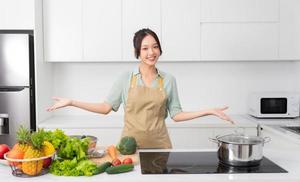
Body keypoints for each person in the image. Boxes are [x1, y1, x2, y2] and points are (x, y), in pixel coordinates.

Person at [47, 28, 234, 149]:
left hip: (160, 147)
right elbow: (105, 108)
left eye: (155, 47)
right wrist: (72, 102)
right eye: (145, 48)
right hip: (129, 147)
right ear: (137, 52)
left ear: (160, 49)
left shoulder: (168, 80)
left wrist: (209, 111)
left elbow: (176, 115)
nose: (151, 52)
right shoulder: (125, 78)